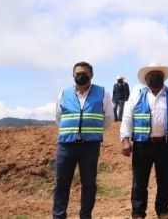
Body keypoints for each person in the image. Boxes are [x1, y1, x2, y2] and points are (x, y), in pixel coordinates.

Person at [120, 62, 168, 219]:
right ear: (146, 78)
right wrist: (125, 139)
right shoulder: (137, 94)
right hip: (142, 144)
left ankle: (163, 210)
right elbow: (127, 117)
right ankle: (138, 213)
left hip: (165, 144)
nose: (156, 77)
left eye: (159, 75)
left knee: (165, 180)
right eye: (152, 75)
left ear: (164, 78)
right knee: (139, 181)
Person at [53, 61, 114, 219]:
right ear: (73, 75)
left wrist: (92, 131)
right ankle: (58, 216)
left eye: (84, 73)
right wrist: (72, 130)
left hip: (90, 146)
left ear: (91, 75)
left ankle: (85, 216)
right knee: (61, 184)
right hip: (66, 145)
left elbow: (108, 118)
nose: (81, 76)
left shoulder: (102, 93)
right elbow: (59, 117)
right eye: (77, 73)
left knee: (89, 184)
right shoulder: (63, 93)